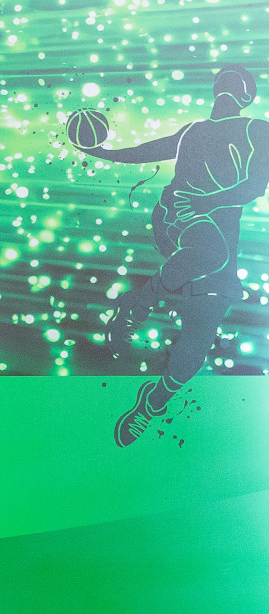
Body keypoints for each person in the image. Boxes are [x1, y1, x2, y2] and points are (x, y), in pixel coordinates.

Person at [71, 65, 268, 446]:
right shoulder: (195, 131)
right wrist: (101, 151)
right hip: (178, 219)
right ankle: (138, 302)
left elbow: (255, 186)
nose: (226, 93)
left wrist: (101, 150)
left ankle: (151, 404)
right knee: (208, 250)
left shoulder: (256, 130)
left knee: (195, 346)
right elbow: (148, 151)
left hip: (217, 246)